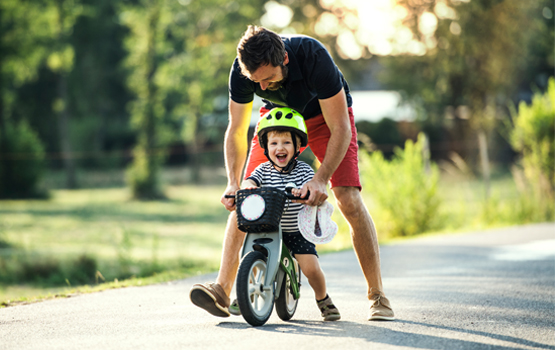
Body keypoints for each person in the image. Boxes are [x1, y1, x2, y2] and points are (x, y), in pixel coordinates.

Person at [190, 25, 394, 321]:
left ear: (284, 59)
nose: (264, 88)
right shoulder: (244, 70)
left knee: (348, 199)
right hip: (279, 121)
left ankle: (377, 295)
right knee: (246, 197)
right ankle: (222, 289)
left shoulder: (314, 57)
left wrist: (320, 178)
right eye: (256, 82)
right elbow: (235, 130)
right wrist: (233, 183)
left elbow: (341, 128)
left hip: (326, 119)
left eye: (269, 79)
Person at [228, 107, 340, 321]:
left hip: (296, 231)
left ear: (298, 146)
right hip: (266, 227)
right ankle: (244, 293)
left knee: (311, 268)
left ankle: (323, 299)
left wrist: (305, 191)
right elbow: (250, 181)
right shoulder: (262, 170)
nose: (280, 148)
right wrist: (248, 186)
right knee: (247, 254)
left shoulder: (304, 171)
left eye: (287, 142)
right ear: (265, 146)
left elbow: (312, 186)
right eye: (274, 143)